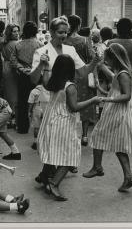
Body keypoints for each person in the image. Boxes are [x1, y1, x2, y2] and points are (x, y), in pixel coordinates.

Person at [30, 16, 98, 182]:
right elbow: (33, 80)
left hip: (66, 100)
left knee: (62, 138)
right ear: (52, 32)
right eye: (60, 32)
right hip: (49, 99)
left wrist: (96, 60)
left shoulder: (70, 50)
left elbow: (82, 72)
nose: (63, 36)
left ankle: (49, 172)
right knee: (51, 138)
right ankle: (51, 172)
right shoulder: (41, 51)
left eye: (65, 33)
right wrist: (41, 65)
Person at [85, 43, 132, 192]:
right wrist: (101, 66)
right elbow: (114, 79)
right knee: (118, 144)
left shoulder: (123, 73)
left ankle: (97, 167)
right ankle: (128, 177)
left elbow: (126, 96)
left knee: (98, 134)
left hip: (120, 109)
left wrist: (106, 99)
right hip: (118, 108)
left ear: (114, 58)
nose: (106, 61)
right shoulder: (122, 72)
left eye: (108, 58)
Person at [36, 54, 102, 201]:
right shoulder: (70, 87)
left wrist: (46, 67)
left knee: (52, 149)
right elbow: (74, 107)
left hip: (50, 120)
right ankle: (54, 184)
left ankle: (44, 175)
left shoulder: (52, 82)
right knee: (69, 156)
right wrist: (93, 100)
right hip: (63, 122)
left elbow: (45, 78)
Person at [64, 14, 95, 148]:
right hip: (82, 75)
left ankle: (69, 134)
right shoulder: (84, 40)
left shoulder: (63, 40)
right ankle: (85, 135)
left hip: (67, 76)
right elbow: (91, 57)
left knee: (68, 105)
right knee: (85, 106)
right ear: (79, 25)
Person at [10, 21, 43, 134]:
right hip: (37, 75)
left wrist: (22, 68)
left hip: (23, 76)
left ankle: (23, 127)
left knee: (23, 101)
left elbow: (13, 61)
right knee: (38, 101)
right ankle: (38, 127)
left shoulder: (18, 45)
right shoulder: (40, 44)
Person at [0, 24, 20, 129]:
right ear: (10, 32)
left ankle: (9, 118)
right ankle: (14, 119)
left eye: (17, 31)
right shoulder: (17, 44)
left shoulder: (3, 43)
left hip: (5, 68)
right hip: (14, 69)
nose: (17, 33)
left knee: (8, 94)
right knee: (15, 94)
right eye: (14, 31)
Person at [28, 79, 50, 150]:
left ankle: (35, 142)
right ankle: (46, 142)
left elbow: (31, 102)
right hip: (47, 108)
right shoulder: (49, 90)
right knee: (47, 126)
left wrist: (29, 111)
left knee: (36, 126)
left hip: (37, 107)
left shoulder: (34, 91)